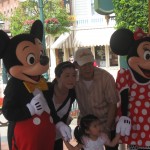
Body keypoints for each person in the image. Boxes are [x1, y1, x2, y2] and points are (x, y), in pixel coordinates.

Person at [74, 48, 119, 150]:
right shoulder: (74, 79)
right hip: (86, 127)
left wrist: (107, 127)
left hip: (106, 122)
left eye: (90, 63)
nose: (88, 68)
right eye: (84, 65)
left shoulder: (106, 77)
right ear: (76, 65)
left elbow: (113, 103)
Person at [48, 61, 77, 150]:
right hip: (41, 134)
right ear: (57, 77)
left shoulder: (72, 93)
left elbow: (64, 115)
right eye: (67, 76)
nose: (71, 79)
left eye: (74, 75)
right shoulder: (47, 89)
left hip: (57, 136)